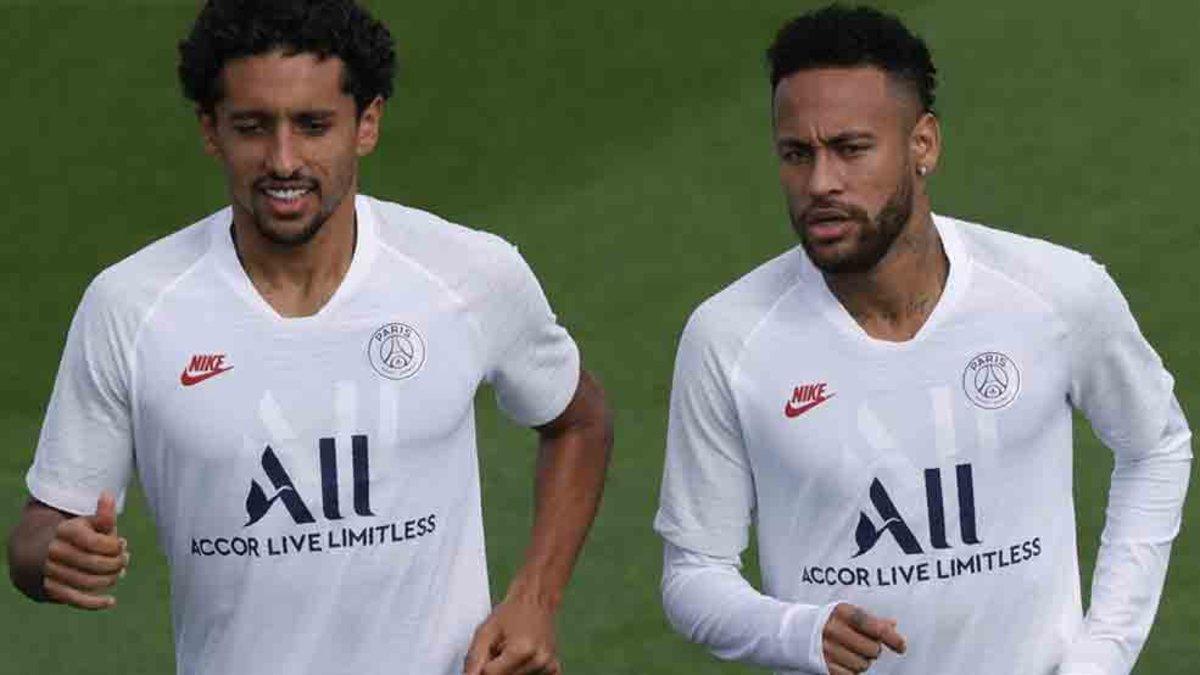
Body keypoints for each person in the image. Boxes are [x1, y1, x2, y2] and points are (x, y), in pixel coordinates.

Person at [5, 2, 612, 674]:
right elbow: (37, 532)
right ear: (211, 129)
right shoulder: (131, 306)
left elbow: (579, 421)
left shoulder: (468, 274)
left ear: (367, 123)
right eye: (253, 127)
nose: (284, 159)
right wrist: (55, 552)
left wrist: (535, 596)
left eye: (313, 125)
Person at [654, 5, 1191, 674]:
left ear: (923, 145)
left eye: (851, 149)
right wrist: (794, 629)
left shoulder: (1054, 294)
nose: (821, 183)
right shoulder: (728, 337)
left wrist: (1101, 654)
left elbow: (1156, 446)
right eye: (797, 154)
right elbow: (693, 571)